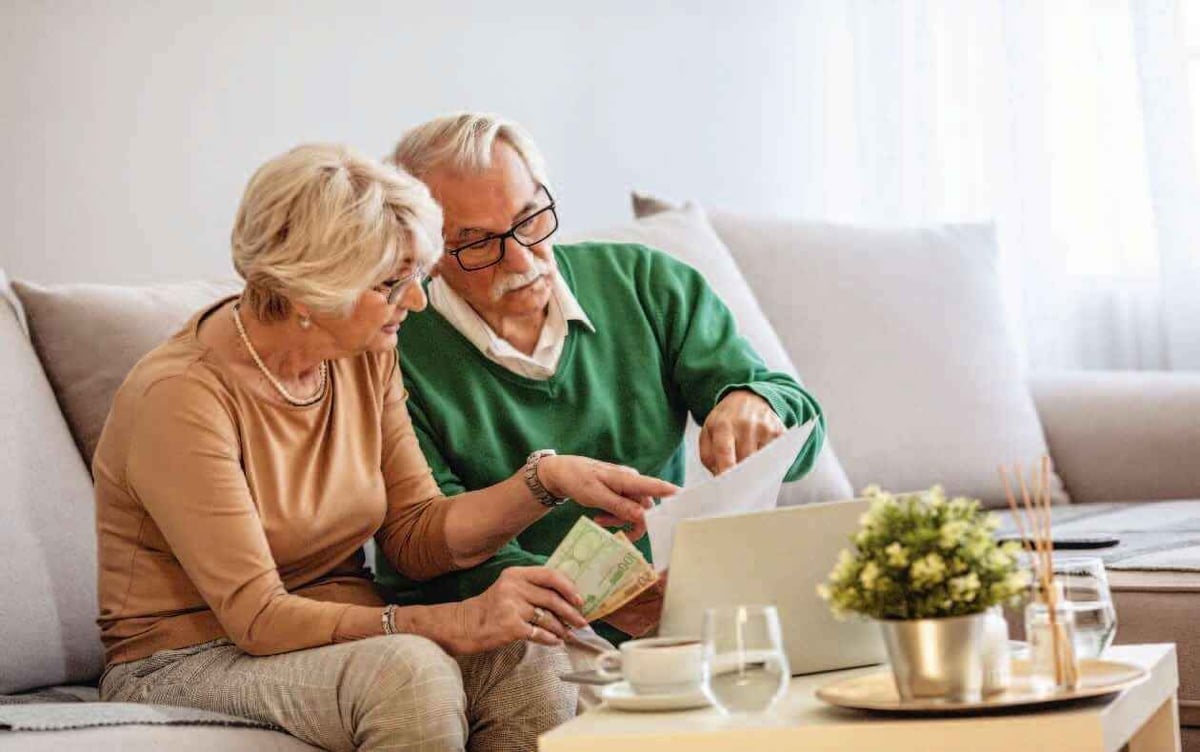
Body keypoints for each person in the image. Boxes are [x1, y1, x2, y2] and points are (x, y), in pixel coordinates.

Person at [93, 143, 677, 752]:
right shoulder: (181, 396)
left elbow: (416, 535)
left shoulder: (364, 353)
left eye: (414, 278)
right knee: (406, 672)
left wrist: (547, 482)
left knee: (529, 655)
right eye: (392, 284)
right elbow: (258, 618)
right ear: (311, 290)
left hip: (346, 633)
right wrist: (453, 621)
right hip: (188, 656)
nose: (418, 301)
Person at [376, 113, 826, 652]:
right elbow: (429, 548)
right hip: (510, 627)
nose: (520, 258)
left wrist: (755, 402)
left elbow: (802, 433)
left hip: (668, 610)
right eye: (476, 244)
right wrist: (597, 599)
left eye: (530, 219)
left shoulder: (647, 284)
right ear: (424, 254)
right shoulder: (393, 352)